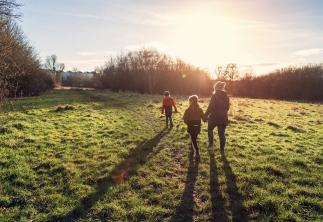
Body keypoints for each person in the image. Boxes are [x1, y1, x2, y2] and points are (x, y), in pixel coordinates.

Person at [205, 81, 230, 152]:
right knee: (221, 134)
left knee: (210, 130)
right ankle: (222, 149)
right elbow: (227, 108)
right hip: (223, 118)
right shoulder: (226, 97)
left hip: (214, 118)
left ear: (215, 87)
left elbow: (210, 107)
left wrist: (205, 115)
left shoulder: (214, 95)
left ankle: (211, 144)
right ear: (222, 88)